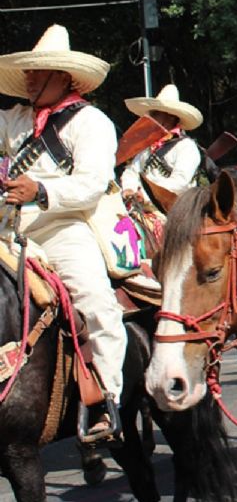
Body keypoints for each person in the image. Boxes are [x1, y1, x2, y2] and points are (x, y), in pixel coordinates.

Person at [0, 24, 125, 441]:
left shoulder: (93, 122)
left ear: (64, 77)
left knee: (95, 301)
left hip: (63, 227)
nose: (29, 79)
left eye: (38, 72)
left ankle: (108, 399)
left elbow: (92, 184)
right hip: (10, 229)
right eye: (29, 73)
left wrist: (41, 190)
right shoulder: (15, 120)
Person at [120, 83, 203, 198]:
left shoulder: (186, 147)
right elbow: (132, 171)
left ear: (170, 117)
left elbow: (179, 182)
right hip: (141, 204)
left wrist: (144, 195)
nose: (150, 118)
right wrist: (129, 189)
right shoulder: (147, 144)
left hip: (174, 210)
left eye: (155, 114)